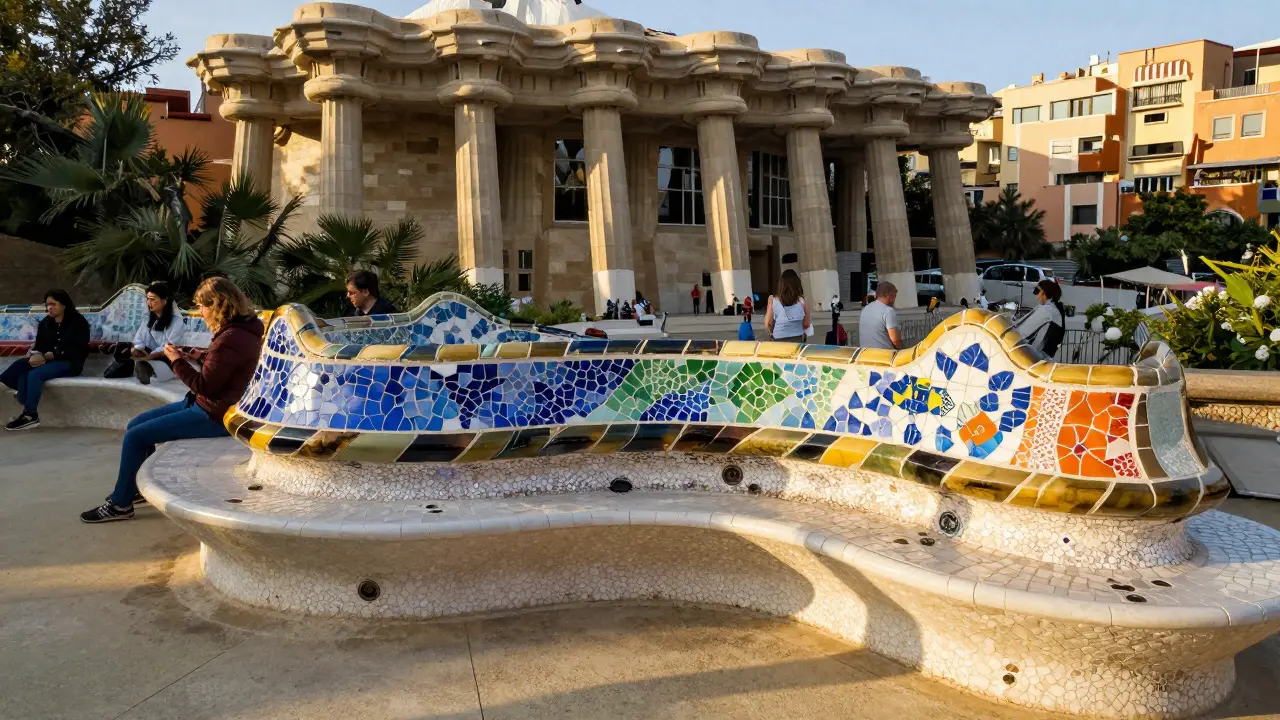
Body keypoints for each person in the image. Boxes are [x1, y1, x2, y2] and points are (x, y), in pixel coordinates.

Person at [80, 277, 265, 523]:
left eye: (202, 306)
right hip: (208, 404)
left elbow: (205, 386)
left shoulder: (230, 337)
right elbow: (223, 371)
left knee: (136, 437)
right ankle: (133, 490)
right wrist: (201, 357)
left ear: (218, 305)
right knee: (136, 425)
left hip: (214, 414)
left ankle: (120, 505)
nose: (200, 312)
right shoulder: (243, 330)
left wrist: (175, 360)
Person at [1, 289, 90, 431]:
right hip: (46, 361)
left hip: (70, 363)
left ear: (64, 305)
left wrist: (51, 355)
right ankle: (24, 396)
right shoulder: (45, 323)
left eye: (53, 304)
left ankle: (31, 415)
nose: (49, 308)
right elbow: (40, 346)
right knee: (18, 369)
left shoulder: (78, 323)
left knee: (35, 375)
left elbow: (78, 350)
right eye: (47, 304)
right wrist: (34, 355)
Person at [129, 281, 185, 385]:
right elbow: (139, 339)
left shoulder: (177, 322)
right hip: (148, 356)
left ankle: (146, 369)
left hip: (167, 359)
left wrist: (149, 356)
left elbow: (168, 348)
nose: (148, 303)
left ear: (164, 301)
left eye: (152, 299)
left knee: (144, 365)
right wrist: (138, 349)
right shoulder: (147, 319)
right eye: (147, 299)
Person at [1014, 279, 1067, 357]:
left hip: (1032, 356)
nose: (1037, 297)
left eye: (1037, 292)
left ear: (1045, 294)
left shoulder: (1047, 310)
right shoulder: (1055, 309)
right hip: (1042, 355)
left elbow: (1021, 332)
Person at [764, 269, 811, 342]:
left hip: (778, 338)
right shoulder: (802, 301)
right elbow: (807, 323)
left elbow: (768, 324)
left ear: (781, 284)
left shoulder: (773, 300)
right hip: (797, 338)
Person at [858, 281, 901, 350]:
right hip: (883, 356)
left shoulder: (866, 308)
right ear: (890, 295)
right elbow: (896, 341)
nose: (895, 299)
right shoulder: (888, 311)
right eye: (895, 295)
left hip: (865, 354)